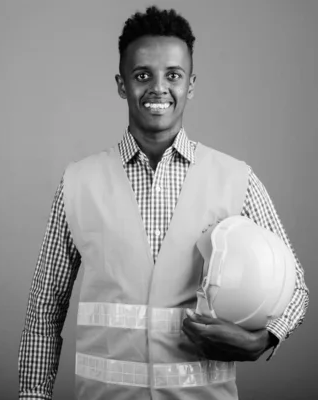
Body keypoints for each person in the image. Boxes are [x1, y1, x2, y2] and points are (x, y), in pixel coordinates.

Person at [18, 5, 309, 400]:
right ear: (122, 85)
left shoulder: (237, 179)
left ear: (190, 85)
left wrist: (265, 339)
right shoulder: (78, 182)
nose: (158, 88)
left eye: (173, 75)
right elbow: (43, 311)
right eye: (142, 75)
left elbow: (296, 287)